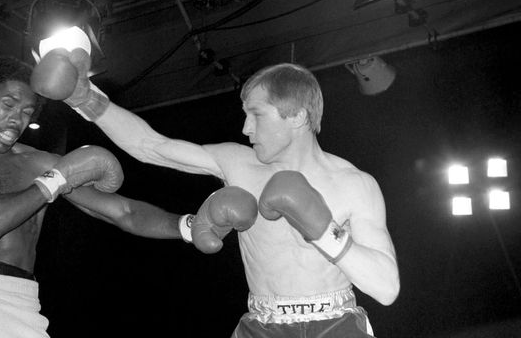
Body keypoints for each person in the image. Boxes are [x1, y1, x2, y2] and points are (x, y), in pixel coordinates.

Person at [32, 42, 400, 337]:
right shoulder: (237, 163)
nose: (245, 128)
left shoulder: (354, 184)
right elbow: (150, 146)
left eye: (256, 114)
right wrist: (85, 97)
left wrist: (324, 232)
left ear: (298, 116)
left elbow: (386, 288)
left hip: (335, 325)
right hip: (261, 325)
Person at [0, 56, 185, 338]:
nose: (17, 120)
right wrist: (57, 179)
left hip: (22, 302)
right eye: (8, 105)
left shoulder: (39, 164)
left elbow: (123, 211)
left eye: (27, 112)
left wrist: (188, 225)